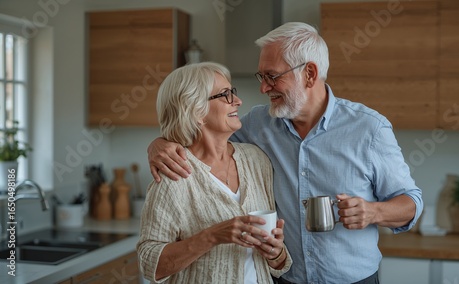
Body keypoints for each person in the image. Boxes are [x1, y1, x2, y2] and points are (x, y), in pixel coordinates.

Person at [147, 23, 423, 284]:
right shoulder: (258, 124)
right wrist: (159, 142)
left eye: (272, 76)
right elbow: (203, 134)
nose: (263, 88)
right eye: (261, 76)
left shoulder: (368, 128)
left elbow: (411, 203)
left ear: (310, 74)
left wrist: (373, 212)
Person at [137, 62, 292, 284]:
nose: (237, 101)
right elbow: (149, 263)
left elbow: (275, 262)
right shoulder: (174, 174)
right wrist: (211, 236)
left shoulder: (257, 161)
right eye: (225, 95)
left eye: (233, 92)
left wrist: (276, 254)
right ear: (196, 110)